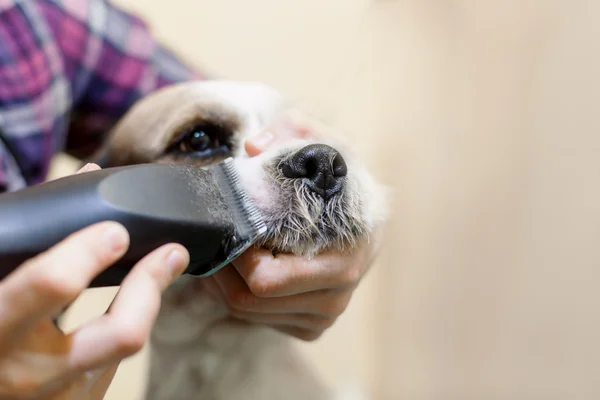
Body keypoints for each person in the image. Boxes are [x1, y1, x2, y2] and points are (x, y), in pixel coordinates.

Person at [0, 0, 381, 398]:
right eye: (200, 142)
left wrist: (368, 223)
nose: (303, 158)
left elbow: (200, 99)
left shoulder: (32, 19)